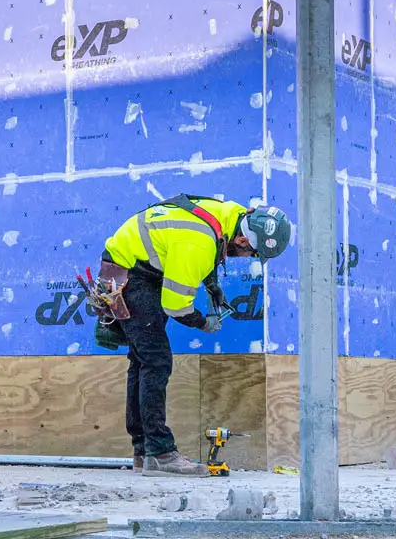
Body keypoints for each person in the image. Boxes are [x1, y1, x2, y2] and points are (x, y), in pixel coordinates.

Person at [89, 195, 291, 476]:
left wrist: (212, 284)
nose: (248, 259)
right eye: (253, 254)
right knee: (156, 360)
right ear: (243, 240)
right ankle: (159, 453)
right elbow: (175, 306)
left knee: (143, 360)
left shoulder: (229, 214)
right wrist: (202, 323)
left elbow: (209, 242)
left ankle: (144, 450)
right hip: (132, 275)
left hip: (139, 267)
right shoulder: (199, 243)